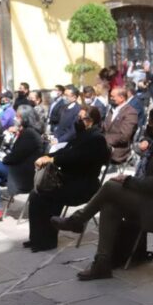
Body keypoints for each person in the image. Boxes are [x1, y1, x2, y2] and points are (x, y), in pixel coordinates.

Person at [52, 106, 153, 279]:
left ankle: (77, 220)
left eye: (150, 123)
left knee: (111, 187)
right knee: (109, 204)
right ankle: (102, 263)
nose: (147, 126)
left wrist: (128, 181)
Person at [28, 107, 110, 251]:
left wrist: (53, 160)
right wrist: (49, 156)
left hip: (83, 185)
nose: (77, 121)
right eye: (78, 117)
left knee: (47, 196)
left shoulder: (96, 139)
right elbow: (66, 151)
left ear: (90, 121)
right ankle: (36, 238)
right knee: (36, 194)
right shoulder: (82, 135)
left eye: (81, 118)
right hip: (69, 180)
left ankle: (47, 241)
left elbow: (76, 157)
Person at [103, 86, 139, 165]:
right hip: (104, 146)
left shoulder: (130, 113)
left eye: (113, 97)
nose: (110, 98)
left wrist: (103, 140)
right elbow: (104, 128)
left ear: (122, 98)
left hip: (118, 150)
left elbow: (124, 136)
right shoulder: (111, 110)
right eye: (110, 96)